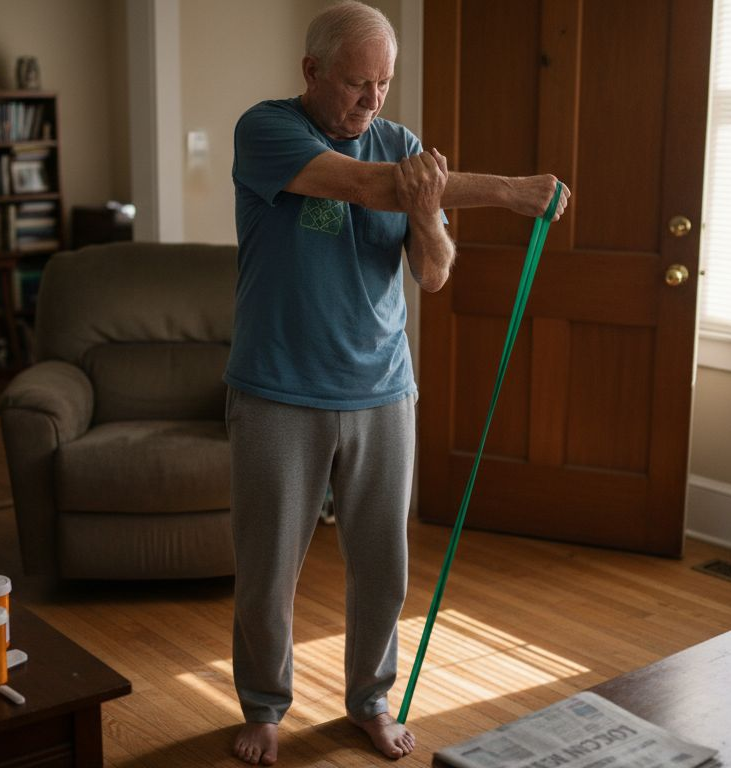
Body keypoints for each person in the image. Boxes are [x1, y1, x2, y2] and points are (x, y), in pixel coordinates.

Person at [225, 2, 569, 764]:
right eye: (356, 82)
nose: (372, 101)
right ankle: (265, 706)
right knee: (268, 568)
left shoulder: (404, 148)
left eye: (384, 83)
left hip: (382, 388)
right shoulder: (266, 130)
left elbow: (434, 272)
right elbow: (367, 189)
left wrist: (433, 215)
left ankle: (370, 700)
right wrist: (510, 190)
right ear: (311, 71)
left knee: (382, 568)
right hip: (279, 388)